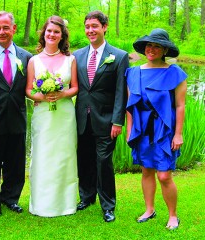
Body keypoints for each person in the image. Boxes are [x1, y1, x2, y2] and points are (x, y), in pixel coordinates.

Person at [126, 28, 187, 230]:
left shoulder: (175, 73)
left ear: (164, 50)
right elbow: (130, 106)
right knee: (146, 171)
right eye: (149, 45)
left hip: (164, 129)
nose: (151, 49)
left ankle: (173, 216)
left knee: (164, 175)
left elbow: (180, 105)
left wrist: (178, 134)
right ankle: (149, 209)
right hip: (142, 130)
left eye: (157, 46)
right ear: (144, 48)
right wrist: (129, 131)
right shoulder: (133, 73)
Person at [73, 10, 129, 222]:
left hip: (106, 120)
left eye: (94, 26)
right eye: (87, 27)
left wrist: (117, 120)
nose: (90, 31)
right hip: (81, 119)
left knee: (103, 162)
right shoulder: (77, 56)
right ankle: (86, 197)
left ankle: (108, 205)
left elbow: (120, 92)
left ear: (104, 27)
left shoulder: (119, 56)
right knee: (84, 159)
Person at [0, 11, 32, 217]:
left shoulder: (26, 57)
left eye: (6, 28)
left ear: (14, 29)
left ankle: (11, 198)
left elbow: (30, 87)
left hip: (17, 118)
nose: (2, 32)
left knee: (16, 163)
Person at [25, 16, 78, 217]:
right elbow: (28, 89)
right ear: (43, 33)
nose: (52, 35)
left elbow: (75, 87)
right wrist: (40, 96)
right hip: (43, 115)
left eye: (56, 32)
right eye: (49, 31)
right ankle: (41, 204)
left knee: (64, 155)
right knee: (43, 155)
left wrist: (62, 93)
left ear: (62, 35)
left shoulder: (70, 60)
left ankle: (65, 204)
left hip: (64, 114)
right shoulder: (33, 61)